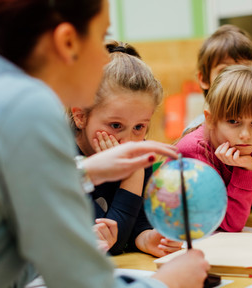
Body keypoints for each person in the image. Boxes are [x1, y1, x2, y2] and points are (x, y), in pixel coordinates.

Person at [0, 1, 209, 287]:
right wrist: (168, 282)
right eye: (101, 37)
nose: (105, 59)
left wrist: (85, 172)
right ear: (67, 41)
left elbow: (7, 231)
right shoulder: (25, 106)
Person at [70, 40, 182, 257]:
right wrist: (134, 173)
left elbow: (134, 225)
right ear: (80, 115)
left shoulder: (137, 149)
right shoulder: (62, 159)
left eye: (139, 127)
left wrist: (146, 238)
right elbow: (108, 243)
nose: (128, 142)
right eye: (115, 126)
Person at [186, 24, 252, 209]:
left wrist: (247, 163)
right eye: (225, 71)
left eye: (243, 70)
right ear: (204, 79)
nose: (237, 79)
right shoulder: (196, 135)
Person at [176, 65, 252, 232]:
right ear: (211, 119)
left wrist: (245, 167)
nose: (246, 135)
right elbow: (231, 223)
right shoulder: (194, 151)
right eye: (233, 121)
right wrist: (245, 171)